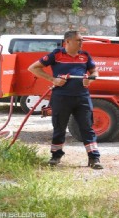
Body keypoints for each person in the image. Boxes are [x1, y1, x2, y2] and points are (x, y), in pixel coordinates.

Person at [28, 30, 103, 169]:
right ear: (67, 42)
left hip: (82, 97)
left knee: (87, 128)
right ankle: (56, 156)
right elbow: (33, 68)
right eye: (78, 40)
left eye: (82, 40)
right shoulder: (56, 55)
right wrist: (52, 79)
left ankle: (94, 158)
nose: (81, 43)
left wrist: (90, 80)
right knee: (59, 127)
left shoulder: (85, 56)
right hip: (61, 97)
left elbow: (94, 72)